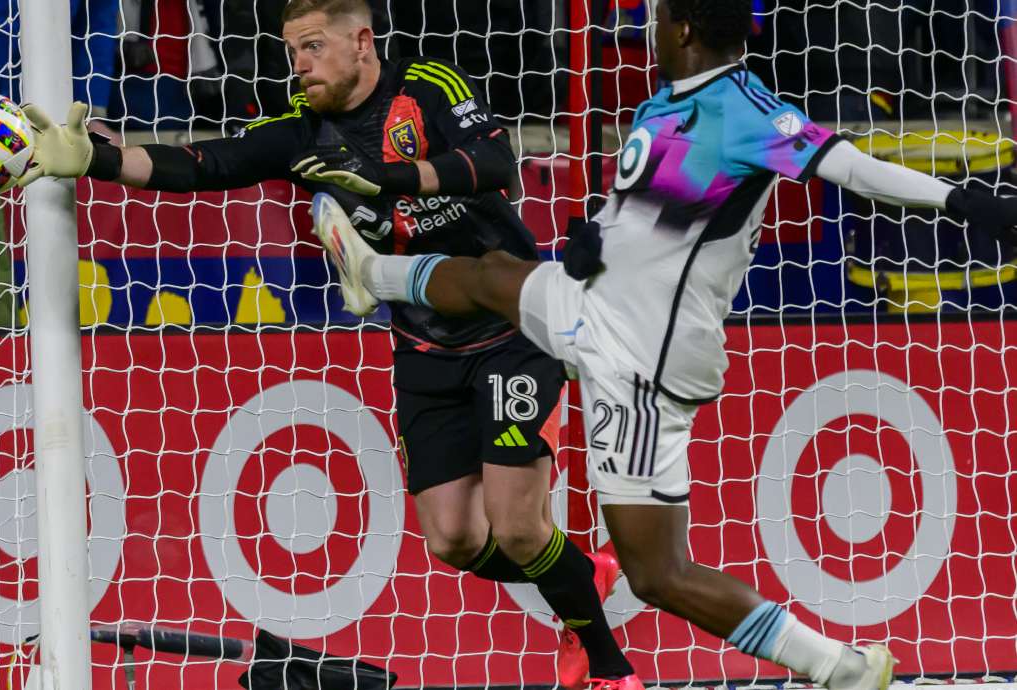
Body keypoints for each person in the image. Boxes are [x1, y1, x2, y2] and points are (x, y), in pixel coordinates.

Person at [307, 1, 1017, 689]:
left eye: (653, 20)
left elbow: (851, 167)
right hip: (591, 305)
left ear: (682, 28)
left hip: (642, 357)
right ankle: (375, 275)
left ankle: (837, 667)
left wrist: (964, 202)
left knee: (656, 573)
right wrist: (594, 242)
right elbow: (639, 215)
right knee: (493, 275)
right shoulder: (659, 108)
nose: (645, 33)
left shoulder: (748, 109)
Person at [16, 0, 633, 686]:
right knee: (452, 538)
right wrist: (95, 160)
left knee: (519, 528)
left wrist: (390, 180)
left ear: (361, 41)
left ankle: (608, 667)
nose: (299, 65)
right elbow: (203, 163)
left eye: (312, 47)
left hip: (509, 330)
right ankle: (583, 573)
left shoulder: (429, 86)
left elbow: (493, 163)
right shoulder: (298, 127)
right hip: (422, 347)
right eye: (291, 51)